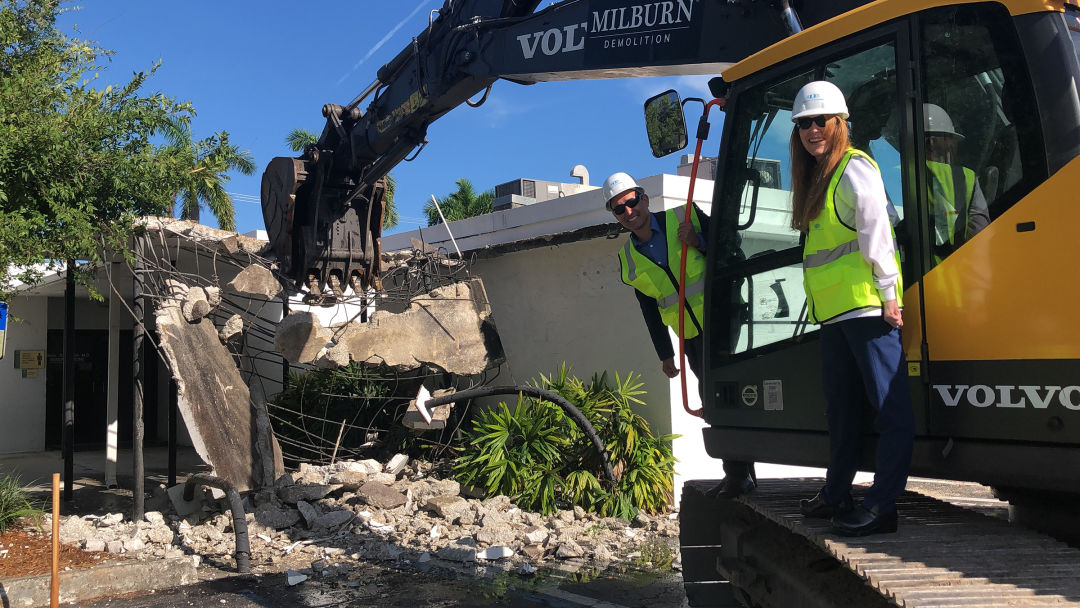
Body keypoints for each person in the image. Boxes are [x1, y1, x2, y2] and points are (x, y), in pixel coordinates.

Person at [787, 81, 914, 536]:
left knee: (889, 408)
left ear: (839, 124)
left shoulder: (853, 167)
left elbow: (877, 231)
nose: (812, 130)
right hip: (836, 315)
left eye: (820, 121)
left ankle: (882, 505)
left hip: (866, 309)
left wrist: (888, 294)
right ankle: (836, 492)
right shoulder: (819, 178)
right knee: (841, 410)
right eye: (803, 123)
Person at [604, 172, 756, 498]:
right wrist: (665, 353)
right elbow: (650, 308)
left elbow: (732, 248)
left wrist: (699, 242)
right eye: (620, 209)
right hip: (690, 336)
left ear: (644, 199)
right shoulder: (628, 261)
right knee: (714, 401)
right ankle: (739, 474)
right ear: (615, 216)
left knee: (730, 396)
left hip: (723, 321)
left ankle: (740, 474)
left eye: (632, 202)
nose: (629, 212)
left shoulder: (683, 217)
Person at [923, 103, 989, 263]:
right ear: (932, 141)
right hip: (952, 272)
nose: (954, 146)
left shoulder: (893, 173)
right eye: (950, 139)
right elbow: (980, 232)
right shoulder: (966, 177)